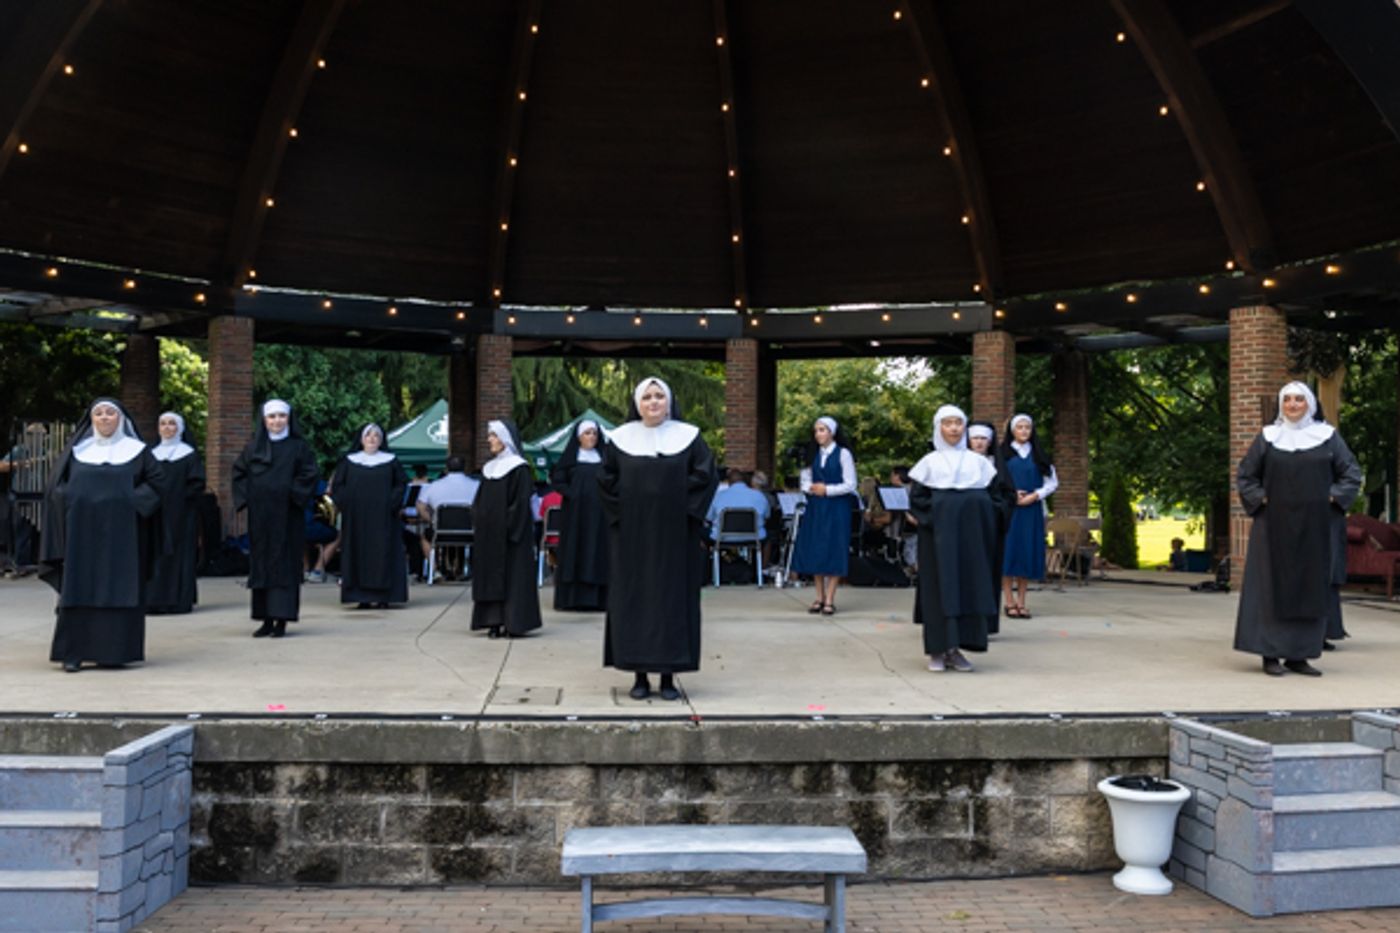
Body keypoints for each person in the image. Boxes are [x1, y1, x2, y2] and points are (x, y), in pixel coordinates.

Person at [599, 377, 717, 701]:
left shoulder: (690, 438)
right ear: (638, 404)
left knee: (672, 602)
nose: (653, 402)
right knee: (635, 600)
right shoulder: (620, 439)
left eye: (659, 396)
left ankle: (667, 677)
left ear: (669, 402)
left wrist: (676, 504)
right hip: (632, 538)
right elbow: (607, 481)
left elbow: (706, 477)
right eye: (647, 397)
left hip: (675, 536)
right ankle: (638, 676)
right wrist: (628, 510)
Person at [1234, 381, 1361, 677]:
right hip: (1271, 527)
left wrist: (1333, 497)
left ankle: (1299, 655)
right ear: (1281, 405)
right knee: (1270, 588)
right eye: (1287, 400)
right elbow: (1246, 476)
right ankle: (1270, 654)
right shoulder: (1268, 437)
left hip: (1314, 527)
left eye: (1299, 400)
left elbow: (1351, 473)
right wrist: (1259, 499)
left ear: (1309, 404)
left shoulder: (1327, 437)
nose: (1292, 405)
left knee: (1309, 586)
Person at [40, 398, 164, 672]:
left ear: (121, 419)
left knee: (119, 587)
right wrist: (73, 500)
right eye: (99, 413)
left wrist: (129, 500)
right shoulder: (77, 452)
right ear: (91, 419)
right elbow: (56, 488)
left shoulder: (139, 452)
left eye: (110, 413)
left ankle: (114, 652)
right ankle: (73, 653)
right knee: (78, 588)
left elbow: (157, 485)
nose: (105, 418)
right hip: (81, 535)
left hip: (124, 537)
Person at [909, 405, 1009, 672]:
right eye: (947, 423)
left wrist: (977, 514)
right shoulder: (929, 463)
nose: (953, 428)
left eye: (958, 423)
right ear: (938, 428)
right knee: (939, 590)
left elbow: (998, 500)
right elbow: (918, 501)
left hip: (971, 540)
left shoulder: (979, 464)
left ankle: (958, 649)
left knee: (968, 588)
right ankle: (938, 651)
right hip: (937, 542)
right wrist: (943, 517)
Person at [233, 399, 319, 638]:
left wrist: (291, 493)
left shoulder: (299, 447)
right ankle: (265, 619)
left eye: (282, 416)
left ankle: (282, 619)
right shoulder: (253, 448)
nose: (277, 421)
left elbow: (309, 474)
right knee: (262, 564)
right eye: (272, 417)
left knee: (285, 565)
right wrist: (248, 498)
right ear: (264, 420)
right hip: (261, 516)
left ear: (289, 419)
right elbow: (239, 473)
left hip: (288, 515)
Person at [470, 419, 542, 638]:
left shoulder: (519, 468)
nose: (489, 439)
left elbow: (520, 504)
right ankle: (492, 621)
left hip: (510, 536)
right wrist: (480, 519)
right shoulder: (489, 469)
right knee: (490, 577)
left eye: (493, 435)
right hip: (489, 535)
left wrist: (505, 526)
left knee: (511, 577)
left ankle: (512, 622)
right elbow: (480, 501)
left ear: (505, 439)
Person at [332, 423, 409, 609]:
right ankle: (361, 597)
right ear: (361, 439)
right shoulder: (349, 461)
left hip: (384, 519)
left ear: (381, 440)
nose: (372, 439)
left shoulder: (391, 461)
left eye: (376, 436)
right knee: (357, 555)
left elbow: (401, 485)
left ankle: (384, 596)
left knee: (384, 554)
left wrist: (391, 503)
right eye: (368, 436)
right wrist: (347, 503)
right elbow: (338, 486)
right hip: (357, 519)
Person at [790, 416, 858, 615]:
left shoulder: (843, 454)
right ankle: (818, 596)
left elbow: (850, 484)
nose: (818, 434)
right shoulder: (813, 454)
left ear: (832, 432)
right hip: (816, 506)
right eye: (816, 430)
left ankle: (830, 598)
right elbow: (804, 480)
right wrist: (812, 489)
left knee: (834, 547)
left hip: (837, 506)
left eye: (822, 430)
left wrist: (827, 489)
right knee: (816, 548)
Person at [999, 413, 1058, 619]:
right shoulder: (1003, 454)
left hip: (1031, 510)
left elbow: (1052, 483)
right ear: (1012, 431)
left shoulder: (1039, 455)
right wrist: (1012, 495)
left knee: (1026, 553)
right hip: (1010, 510)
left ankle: (1022, 601)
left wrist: (1035, 495)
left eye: (1027, 428)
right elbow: (994, 481)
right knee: (1009, 554)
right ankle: (1009, 601)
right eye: (1020, 427)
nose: (1024, 431)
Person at [146, 411, 205, 615]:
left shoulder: (188, 454)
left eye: (172, 424)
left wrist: (179, 498)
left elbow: (197, 484)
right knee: (155, 554)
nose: (167, 427)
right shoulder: (150, 454)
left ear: (179, 428)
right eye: (163, 423)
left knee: (180, 555)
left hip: (182, 514)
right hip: (155, 513)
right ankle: (153, 600)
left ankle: (178, 601)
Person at [550, 419, 610, 611]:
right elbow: (558, 480)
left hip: (600, 515)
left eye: (594, 433)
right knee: (575, 550)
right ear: (578, 437)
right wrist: (572, 494)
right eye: (587, 433)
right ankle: (572, 599)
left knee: (597, 551)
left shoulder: (604, 458)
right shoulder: (570, 458)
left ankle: (598, 599)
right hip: (575, 515)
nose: (591, 437)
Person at [968, 420, 1015, 635]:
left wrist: (990, 507)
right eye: (975, 438)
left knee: (988, 574)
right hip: (965, 527)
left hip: (989, 528)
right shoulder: (960, 462)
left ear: (990, 441)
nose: (979, 443)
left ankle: (987, 623)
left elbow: (1008, 496)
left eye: (983, 439)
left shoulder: (998, 466)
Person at [416, 456, 479, 580]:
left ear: (446, 468)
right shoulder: (476, 485)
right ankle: (476, 571)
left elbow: (420, 506)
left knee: (424, 537)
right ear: (464, 468)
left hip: (440, 533)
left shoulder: (434, 485)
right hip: (470, 533)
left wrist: (432, 520)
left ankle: (435, 571)